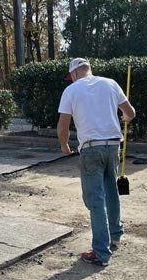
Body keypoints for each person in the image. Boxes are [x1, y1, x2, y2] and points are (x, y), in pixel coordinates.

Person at [57, 58, 136, 267]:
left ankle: (101, 252)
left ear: (74, 73)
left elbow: (63, 125)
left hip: (91, 148)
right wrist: (124, 119)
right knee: (111, 190)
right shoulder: (110, 83)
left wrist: (64, 145)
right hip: (112, 146)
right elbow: (130, 113)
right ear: (88, 70)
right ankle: (115, 234)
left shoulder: (72, 90)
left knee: (96, 199)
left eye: (70, 76)